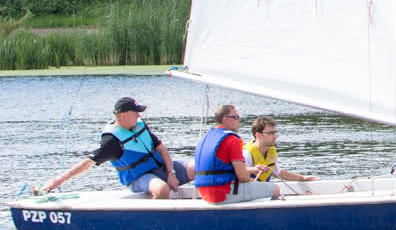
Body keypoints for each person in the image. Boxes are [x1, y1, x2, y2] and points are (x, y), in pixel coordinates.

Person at [41, 96, 192, 199]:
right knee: (162, 189)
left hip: (163, 169)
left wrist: (171, 173)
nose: (139, 116)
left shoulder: (140, 126)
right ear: (124, 115)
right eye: (136, 112)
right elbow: (87, 163)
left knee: (200, 166)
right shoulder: (112, 141)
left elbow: (162, 150)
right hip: (139, 178)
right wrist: (58, 181)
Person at [193, 104, 276, 204]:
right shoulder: (233, 140)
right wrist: (254, 181)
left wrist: (252, 170)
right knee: (274, 189)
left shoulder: (207, 137)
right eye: (236, 117)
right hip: (221, 194)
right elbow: (242, 176)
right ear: (226, 119)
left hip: (204, 192)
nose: (239, 120)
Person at [246, 116, 318, 184]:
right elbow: (239, 175)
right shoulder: (247, 154)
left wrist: (302, 178)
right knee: (276, 190)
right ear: (258, 135)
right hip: (248, 191)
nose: (275, 136)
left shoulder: (270, 151)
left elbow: (278, 172)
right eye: (270, 133)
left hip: (261, 189)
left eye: (275, 132)